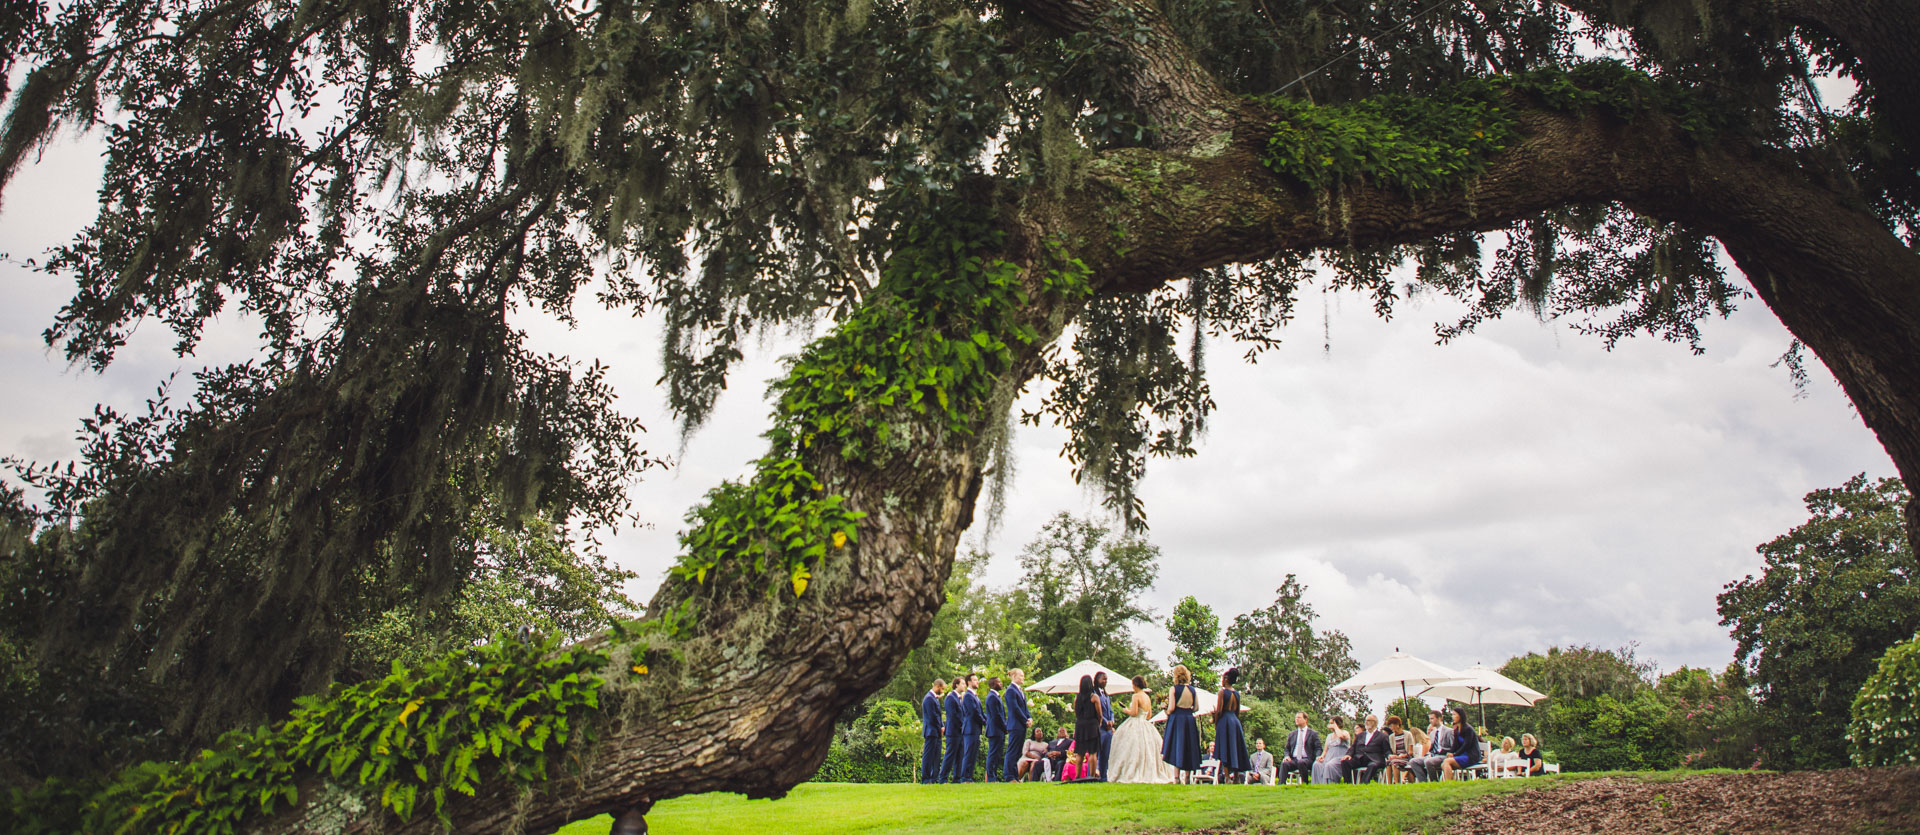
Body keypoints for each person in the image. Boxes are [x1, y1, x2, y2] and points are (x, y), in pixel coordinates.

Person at [1108, 675, 1176, 783]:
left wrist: (1125, 710)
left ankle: (1131, 771)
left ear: (1135, 685)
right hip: (1145, 723)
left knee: (1128, 746)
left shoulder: (1136, 696)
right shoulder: (1147, 697)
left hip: (1135, 723)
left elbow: (1134, 713)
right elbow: (1149, 715)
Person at [1161, 664, 1203, 782]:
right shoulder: (1192, 690)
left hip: (1177, 719)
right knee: (1189, 746)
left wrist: (1165, 709)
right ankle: (1188, 777)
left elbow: (1172, 707)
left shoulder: (1173, 689)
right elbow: (1196, 708)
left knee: (1177, 745)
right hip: (1189, 719)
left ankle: (1177, 777)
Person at [1211, 667, 1252, 782]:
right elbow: (1237, 711)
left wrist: (1215, 721)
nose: (1222, 681)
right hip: (1235, 721)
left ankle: (1227, 776)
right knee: (1235, 747)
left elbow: (1219, 710)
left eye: (1223, 679)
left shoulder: (1222, 692)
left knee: (1225, 747)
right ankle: (1237, 776)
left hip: (1224, 721)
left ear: (1226, 679)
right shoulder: (1237, 693)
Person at [1071, 674, 1104, 781]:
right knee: (1092, 752)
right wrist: (1099, 722)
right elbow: (1099, 713)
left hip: (1080, 725)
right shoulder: (1094, 697)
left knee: (1079, 752)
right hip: (1092, 725)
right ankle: (1092, 775)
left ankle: (1077, 776)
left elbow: (1076, 713)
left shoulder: (1077, 698)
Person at [1341, 715, 1388, 784]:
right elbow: (1353, 747)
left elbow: (1387, 750)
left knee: (1372, 765)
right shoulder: (1360, 735)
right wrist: (1348, 754)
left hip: (1374, 759)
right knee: (1345, 762)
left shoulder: (1383, 736)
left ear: (1375, 723)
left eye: (1368, 720)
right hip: (1360, 758)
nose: (1366, 722)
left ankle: (1363, 784)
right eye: (1366, 720)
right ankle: (1348, 784)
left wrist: (1389, 755)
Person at [1438, 707, 1482, 781]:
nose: (1453, 717)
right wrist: (1450, 752)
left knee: (1447, 762)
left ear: (1460, 716)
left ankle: (1449, 783)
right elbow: (1455, 745)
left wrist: (1455, 755)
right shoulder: (1457, 730)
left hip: (1470, 756)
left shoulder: (1468, 729)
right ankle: (1451, 782)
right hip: (1462, 755)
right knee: (1444, 764)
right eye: (1452, 715)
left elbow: (1466, 745)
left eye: (1454, 715)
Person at [1410, 709, 1453, 783]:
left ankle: (1434, 782)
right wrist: (1429, 754)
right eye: (1429, 719)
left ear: (1439, 718)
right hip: (1434, 755)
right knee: (1413, 761)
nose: (1430, 721)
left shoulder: (1449, 731)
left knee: (1428, 761)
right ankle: (1423, 783)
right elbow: (1432, 748)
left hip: (1444, 755)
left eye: (1432, 718)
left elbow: (1453, 746)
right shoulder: (1432, 733)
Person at [1003, 669, 1030, 783]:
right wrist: (1025, 720)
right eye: (1021, 676)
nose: (1023, 678)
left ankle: (1015, 776)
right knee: (1012, 750)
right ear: (1014, 676)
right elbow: (1014, 708)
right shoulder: (1010, 690)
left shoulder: (1020, 691)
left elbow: (1024, 708)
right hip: (1015, 725)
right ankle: (1009, 776)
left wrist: (1029, 718)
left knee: (1017, 751)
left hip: (1021, 725)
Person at [1279, 711, 1321, 785]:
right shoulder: (1292, 734)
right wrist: (1287, 756)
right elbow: (1287, 749)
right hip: (1294, 759)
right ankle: (1281, 785)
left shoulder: (1313, 734)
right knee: (1285, 763)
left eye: (1299, 717)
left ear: (1305, 720)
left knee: (1301, 762)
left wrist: (1318, 757)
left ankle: (1305, 784)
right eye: (1296, 718)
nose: (1296, 719)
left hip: (1307, 759)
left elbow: (1318, 748)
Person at [958, 674, 984, 782]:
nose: (977, 682)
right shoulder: (968, 696)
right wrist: (985, 722)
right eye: (975, 680)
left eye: (977, 680)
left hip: (975, 729)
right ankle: (964, 777)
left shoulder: (974, 696)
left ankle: (968, 777)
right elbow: (974, 712)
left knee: (973, 754)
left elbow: (980, 712)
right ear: (969, 682)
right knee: (968, 754)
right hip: (970, 729)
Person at [921, 678, 947, 784]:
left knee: (936, 757)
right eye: (942, 689)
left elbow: (938, 716)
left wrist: (942, 726)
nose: (943, 691)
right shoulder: (928, 699)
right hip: (931, 732)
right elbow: (933, 717)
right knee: (928, 756)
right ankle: (926, 779)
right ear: (937, 686)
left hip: (936, 732)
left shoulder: (934, 699)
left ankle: (933, 778)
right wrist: (940, 727)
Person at [940, 676, 964, 782]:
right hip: (953, 732)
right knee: (950, 755)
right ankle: (943, 778)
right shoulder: (950, 697)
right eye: (962, 683)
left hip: (960, 732)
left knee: (960, 756)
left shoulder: (960, 698)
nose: (965, 686)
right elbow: (953, 715)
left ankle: (957, 778)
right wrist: (963, 725)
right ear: (956, 685)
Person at [1312, 716, 1349, 784]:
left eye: (1331, 723)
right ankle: (1318, 785)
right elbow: (1325, 750)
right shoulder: (1329, 736)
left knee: (1330, 765)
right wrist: (1322, 756)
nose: (1329, 725)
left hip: (1339, 758)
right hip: (1328, 757)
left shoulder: (1344, 732)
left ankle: (1329, 784)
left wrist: (1336, 727)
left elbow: (1341, 736)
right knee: (1317, 764)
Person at [983, 676, 1007, 782]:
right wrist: (1005, 727)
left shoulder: (996, 697)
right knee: (993, 754)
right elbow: (996, 715)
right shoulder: (992, 697)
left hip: (998, 730)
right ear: (993, 684)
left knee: (997, 754)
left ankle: (993, 775)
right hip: (995, 730)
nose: (1001, 684)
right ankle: (991, 777)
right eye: (999, 682)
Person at [1094, 671, 1115, 781]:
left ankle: (1104, 777)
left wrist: (1112, 721)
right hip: (1100, 728)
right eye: (1103, 679)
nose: (1105, 681)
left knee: (1106, 755)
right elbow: (1098, 711)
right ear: (1097, 680)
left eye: (1106, 679)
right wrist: (1105, 722)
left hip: (1108, 730)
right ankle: (1093, 775)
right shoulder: (1094, 694)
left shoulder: (1106, 695)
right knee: (1096, 753)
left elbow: (1110, 711)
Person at [1383, 715, 1413, 784]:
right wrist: (1392, 756)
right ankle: (1389, 783)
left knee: (1394, 762)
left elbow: (1410, 752)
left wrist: (1401, 756)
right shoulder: (1391, 737)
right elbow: (1392, 751)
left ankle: (1396, 782)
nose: (1391, 728)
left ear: (1397, 725)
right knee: (1388, 762)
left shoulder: (1408, 734)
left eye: (1391, 725)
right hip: (1396, 757)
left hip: (1406, 757)